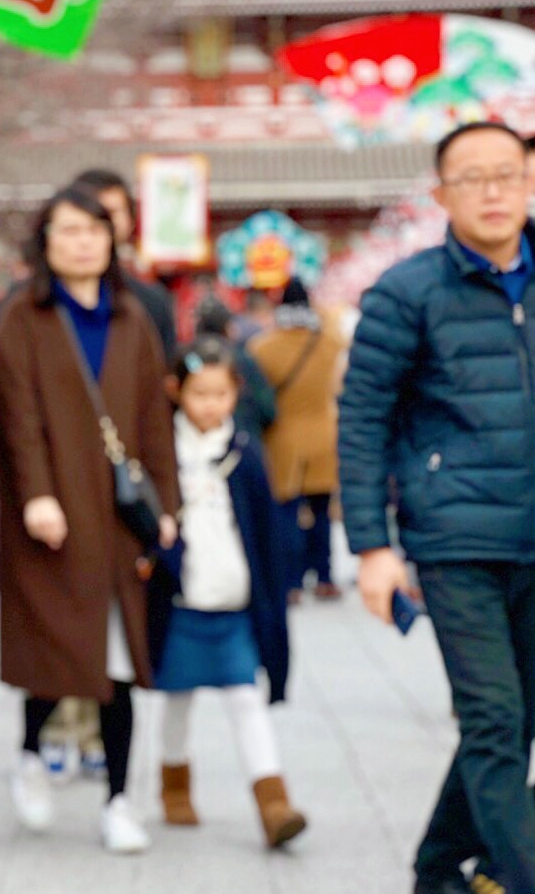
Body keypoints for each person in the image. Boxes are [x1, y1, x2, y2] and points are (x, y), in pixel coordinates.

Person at [339, 120, 535, 894]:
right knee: (498, 723)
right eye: (474, 177)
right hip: (457, 540)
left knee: (521, 723)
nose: (494, 190)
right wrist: (373, 548)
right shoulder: (406, 291)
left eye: (509, 174)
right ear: (444, 193)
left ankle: (437, 867)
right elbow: (362, 422)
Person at [0, 186, 179, 854]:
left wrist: (167, 505)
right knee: (58, 650)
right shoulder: (24, 319)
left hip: (121, 519)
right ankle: (33, 753)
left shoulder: (134, 318)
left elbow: (156, 422)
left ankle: (120, 799)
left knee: (120, 662)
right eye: (69, 230)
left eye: (95, 230)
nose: (83, 242)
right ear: (46, 241)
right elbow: (20, 421)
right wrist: (37, 495)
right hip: (54, 514)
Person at [150, 337, 306, 847]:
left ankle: (273, 802)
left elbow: (266, 527)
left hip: (233, 599)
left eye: (221, 393)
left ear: (236, 392)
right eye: (200, 394)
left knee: (245, 696)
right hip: (181, 601)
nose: (211, 404)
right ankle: (174, 787)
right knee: (177, 699)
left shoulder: (244, 450)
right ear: (177, 392)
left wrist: (277, 585)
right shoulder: (161, 448)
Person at [249, 277, 345, 603]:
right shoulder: (330, 342)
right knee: (321, 511)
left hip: (283, 438)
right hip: (323, 434)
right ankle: (325, 577)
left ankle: (290, 582)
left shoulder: (263, 347)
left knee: (286, 513)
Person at [71, 166, 178, 364]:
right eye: (92, 211)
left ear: (130, 221)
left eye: (110, 213)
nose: (100, 223)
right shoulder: (31, 301)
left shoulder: (152, 302)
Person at [194, 298, 276, 443]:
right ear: (227, 327)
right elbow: (267, 409)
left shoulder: (189, 360)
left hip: (195, 444)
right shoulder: (242, 360)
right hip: (241, 440)